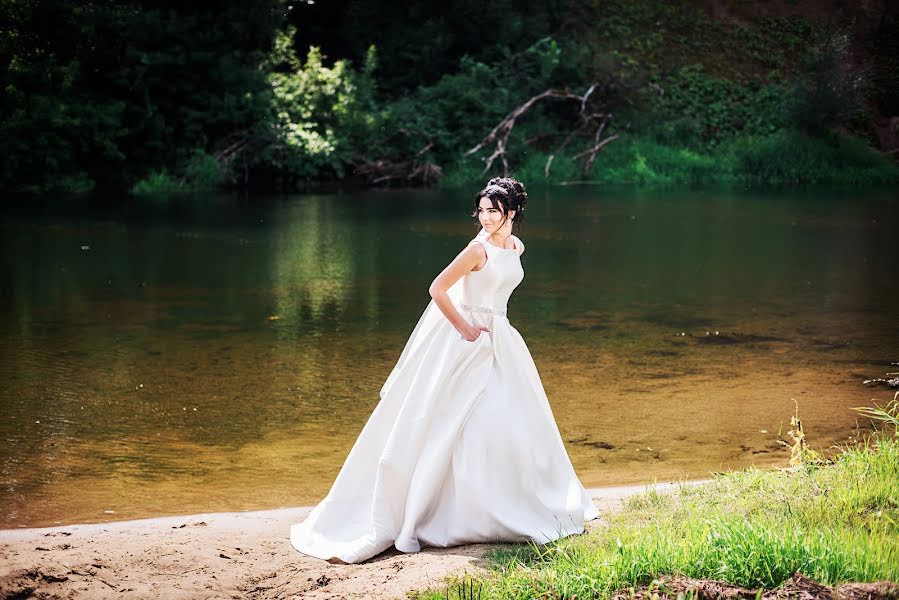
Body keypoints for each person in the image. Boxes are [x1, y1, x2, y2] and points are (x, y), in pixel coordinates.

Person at [290, 177, 599, 564]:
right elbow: (437, 288)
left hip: (502, 339)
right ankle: (443, 510)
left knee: (512, 421)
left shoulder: (516, 247)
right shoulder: (476, 250)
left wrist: (489, 328)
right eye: (482, 211)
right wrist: (466, 328)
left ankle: (504, 502)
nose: (486, 218)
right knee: (451, 422)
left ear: (513, 213)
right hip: (465, 342)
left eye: (494, 211)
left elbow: (499, 290)